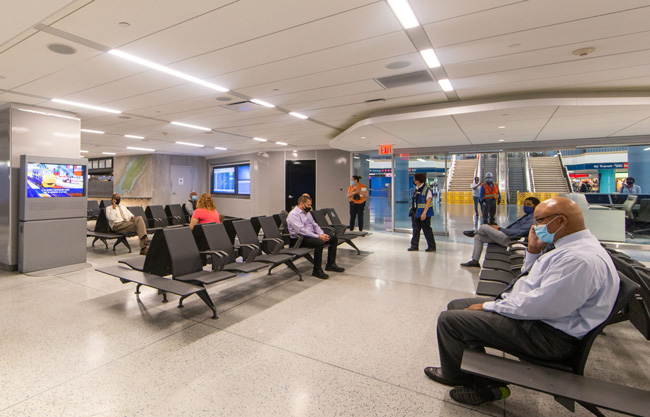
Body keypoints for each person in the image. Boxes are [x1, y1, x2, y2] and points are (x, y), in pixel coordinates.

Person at [424, 197, 619, 406]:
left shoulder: (579, 260)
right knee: (457, 306)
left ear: (561, 221)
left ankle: (465, 380)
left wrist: (489, 306)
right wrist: (533, 252)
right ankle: (476, 374)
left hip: (548, 336)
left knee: (449, 320)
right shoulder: (569, 248)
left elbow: (542, 306)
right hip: (540, 319)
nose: (535, 227)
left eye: (539, 221)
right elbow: (531, 281)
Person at [460, 197, 540, 268]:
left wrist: (500, 229)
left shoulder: (532, 219)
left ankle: (474, 232)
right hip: (508, 236)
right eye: (524, 204)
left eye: (529, 204)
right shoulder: (528, 216)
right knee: (478, 237)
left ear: (536, 206)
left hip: (512, 240)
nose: (525, 206)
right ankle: (475, 261)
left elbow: (518, 233)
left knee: (484, 227)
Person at [286, 195, 345, 279]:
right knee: (319, 243)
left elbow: (315, 225)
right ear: (301, 203)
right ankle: (317, 270)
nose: (310, 207)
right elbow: (301, 231)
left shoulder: (307, 213)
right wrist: (318, 237)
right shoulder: (293, 214)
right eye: (308, 205)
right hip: (298, 239)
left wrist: (321, 234)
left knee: (333, 238)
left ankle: (331, 264)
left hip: (310, 236)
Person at [408, 173, 436, 252]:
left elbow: (428, 201)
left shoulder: (427, 189)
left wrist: (424, 213)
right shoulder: (416, 188)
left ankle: (432, 246)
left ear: (418, 180)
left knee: (426, 229)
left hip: (424, 213)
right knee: (416, 229)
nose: (414, 180)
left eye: (414, 179)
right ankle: (414, 246)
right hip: (415, 212)